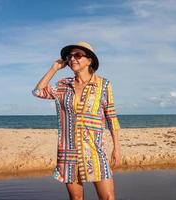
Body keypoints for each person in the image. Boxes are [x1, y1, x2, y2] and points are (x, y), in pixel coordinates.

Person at [32, 41, 121, 200]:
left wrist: (117, 148)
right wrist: (54, 69)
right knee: (76, 198)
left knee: (108, 197)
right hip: (68, 152)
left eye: (78, 55)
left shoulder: (103, 85)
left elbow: (111, 117)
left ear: (90, 60)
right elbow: (38, 91)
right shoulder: (63, 85)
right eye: (70, 56)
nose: (73, 59)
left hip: (94, 151)